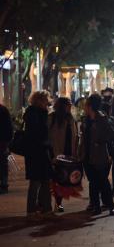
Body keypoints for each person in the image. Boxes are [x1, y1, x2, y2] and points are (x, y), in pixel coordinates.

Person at [79, 94, 114, 216]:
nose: (84, 107)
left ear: (90, 106)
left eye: (86, 104)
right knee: (93, 182)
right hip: (87, 154)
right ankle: (95, 205)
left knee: (103, 181)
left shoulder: (101, 118)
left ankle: (110, 205)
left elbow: (110, 134)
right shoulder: (86, 119)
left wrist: (99, 141)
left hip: (99, 154)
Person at [24, 90, 53, 219]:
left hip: (39, 151)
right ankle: (33, 210)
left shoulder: (38, 113)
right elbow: (38, 133)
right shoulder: (35, 114)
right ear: (40, 100)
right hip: (37, 151)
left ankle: (45, 208)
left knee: (45, 180)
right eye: (46, 100)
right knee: (36, 181)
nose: (48, 102)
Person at [48, 97, 79, 212]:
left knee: (63, 179)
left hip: (68, 153)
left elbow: (75, 136)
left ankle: (58, 202)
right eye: (68, 104)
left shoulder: (70, 118)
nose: (70, 106)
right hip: (56, 152)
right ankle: (51, 202)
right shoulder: (52, 118)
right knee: (55, 179)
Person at [0, 103, 13, 194]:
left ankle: (4, 183)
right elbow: (9, 126)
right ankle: (3, 184)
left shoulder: (3, 110)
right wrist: (8, 140)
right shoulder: (3, 110)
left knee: (3, 163)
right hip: (2, 141)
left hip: (2, 141)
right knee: (3, 163)